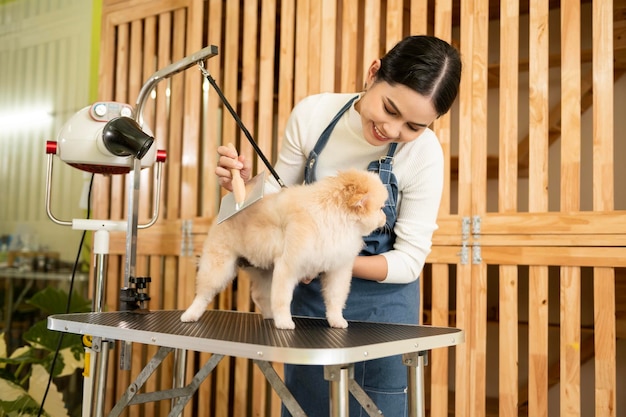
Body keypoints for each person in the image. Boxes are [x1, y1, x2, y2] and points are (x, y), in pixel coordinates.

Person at [215, 35, 462, 417]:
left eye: (413, 125)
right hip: (312, 306)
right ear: (373, 73)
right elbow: (279, 203)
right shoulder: (314, 115)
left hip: (382, 316)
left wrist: (329, 259)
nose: (393, 131)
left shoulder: (424, 154)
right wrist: (245, 188)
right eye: (389, 108)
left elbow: (409, 262)